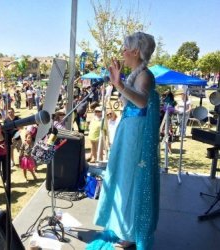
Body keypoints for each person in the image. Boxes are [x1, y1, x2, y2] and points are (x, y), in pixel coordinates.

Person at [88, 32, 160, 250]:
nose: (122, 52)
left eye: (125, 48)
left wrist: (119, 85)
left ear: (136, 52)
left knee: (130, 181)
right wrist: (119, 84)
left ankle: (130, 233)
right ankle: (123, 227)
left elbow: (141, 103)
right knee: (122, 179)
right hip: (129, 131)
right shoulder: (137, 74)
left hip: (136, 135)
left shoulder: (145, 75)